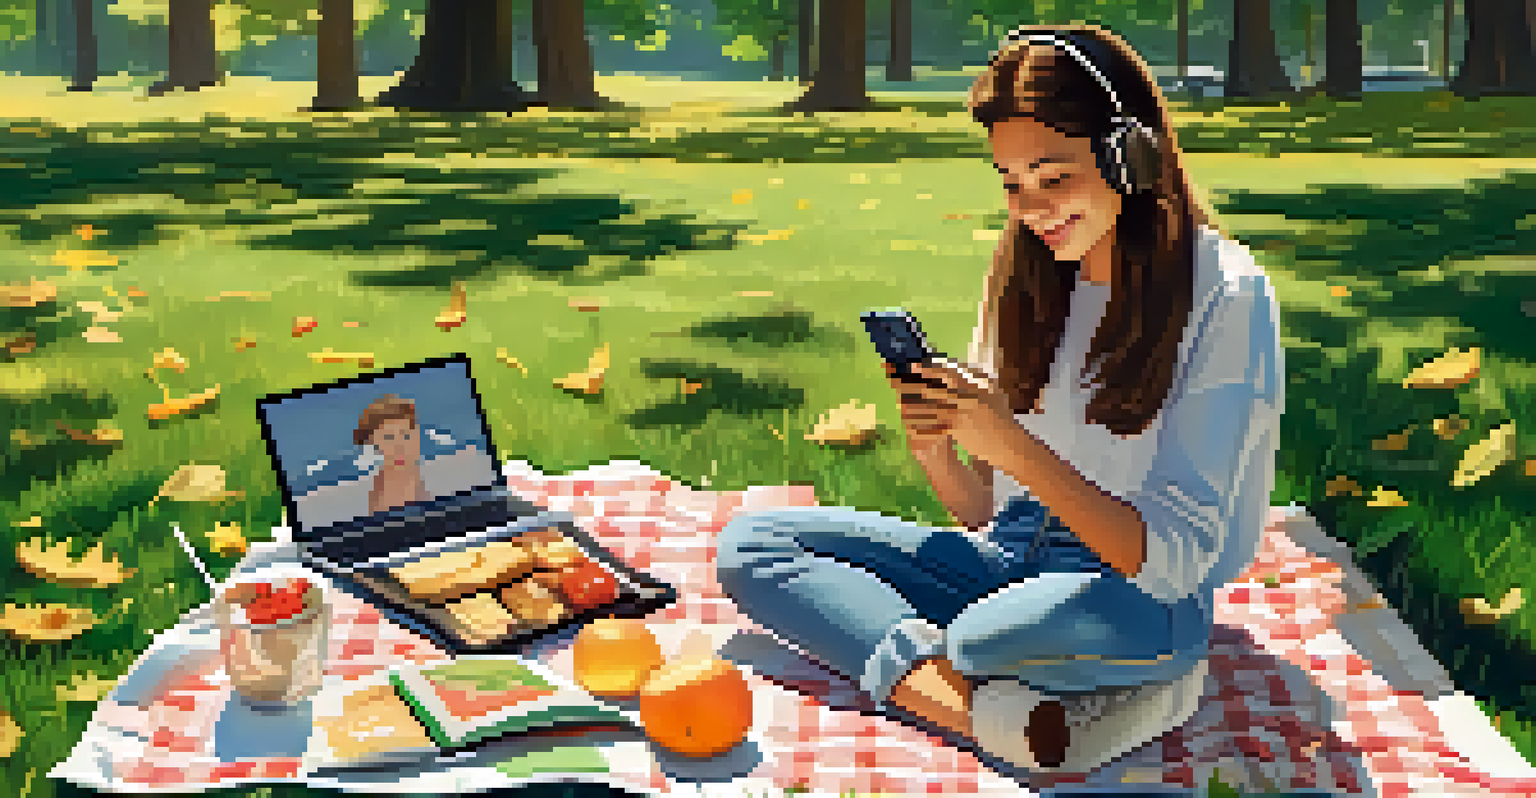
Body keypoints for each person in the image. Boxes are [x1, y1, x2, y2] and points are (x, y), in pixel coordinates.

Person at [715, 24, 1284, 774]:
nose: (1033, 209)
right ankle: (984, 712)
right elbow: (985, 511)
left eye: (1054, 178)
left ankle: (1136, 681)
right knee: (752, 548)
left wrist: (1012, 443)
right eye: (1012, 183)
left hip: (1137, 590)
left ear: (1130, 156)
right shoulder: (1029, 268)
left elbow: (1174, 563)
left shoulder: (1226, 293)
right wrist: (937, 443)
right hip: (1015, 553)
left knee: (985, 636)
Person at [354, 394, 430, 516]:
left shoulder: (408, 471)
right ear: (371, 441)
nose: (400, 446)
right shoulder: (388, 488)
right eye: (388, 438)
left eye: (406, 436)